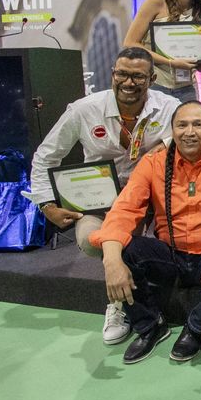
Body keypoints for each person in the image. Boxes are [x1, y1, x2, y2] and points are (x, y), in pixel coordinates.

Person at [25, 47, 180, 344]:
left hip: (152, 195)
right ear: (112, 74)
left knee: (164, 241)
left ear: (152, 77)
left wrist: (162, 150)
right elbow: (46, 157)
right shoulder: (84, 110)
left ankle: (132, 297)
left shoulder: (169, 107)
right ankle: (120, 303)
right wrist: (47, 205)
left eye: (138, 76)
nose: (129, 82)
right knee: (90, 240)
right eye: (121, 74)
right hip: (99, 201)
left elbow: (184, 143)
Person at [89, 101, 201, 364]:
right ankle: (149, 325)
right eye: (182, 125)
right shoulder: (153, 163)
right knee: (125, 249)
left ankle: (196, 328)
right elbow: (124, 209)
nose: (190, 132)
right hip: (171, 256)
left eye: (198, 124)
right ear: (172, 130)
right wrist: (110, 260)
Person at [123, 0, 201, 101]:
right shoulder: (156, 1)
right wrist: (170, 62)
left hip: (187, 87)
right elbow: (130, 43)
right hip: (155, 84)